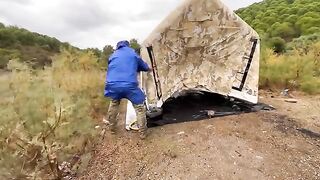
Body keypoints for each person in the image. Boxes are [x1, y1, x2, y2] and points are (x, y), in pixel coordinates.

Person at [104, 40, 151, 139]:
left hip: (113, 85)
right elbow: (144, 67)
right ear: (128, 46)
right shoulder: (132, 54)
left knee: (114, 104)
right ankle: (143, 133)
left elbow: (114, 68)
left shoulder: (113, 55)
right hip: (129, 85)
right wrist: (148, 68)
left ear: (118, 47)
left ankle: (112, 129)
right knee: (139, 108)